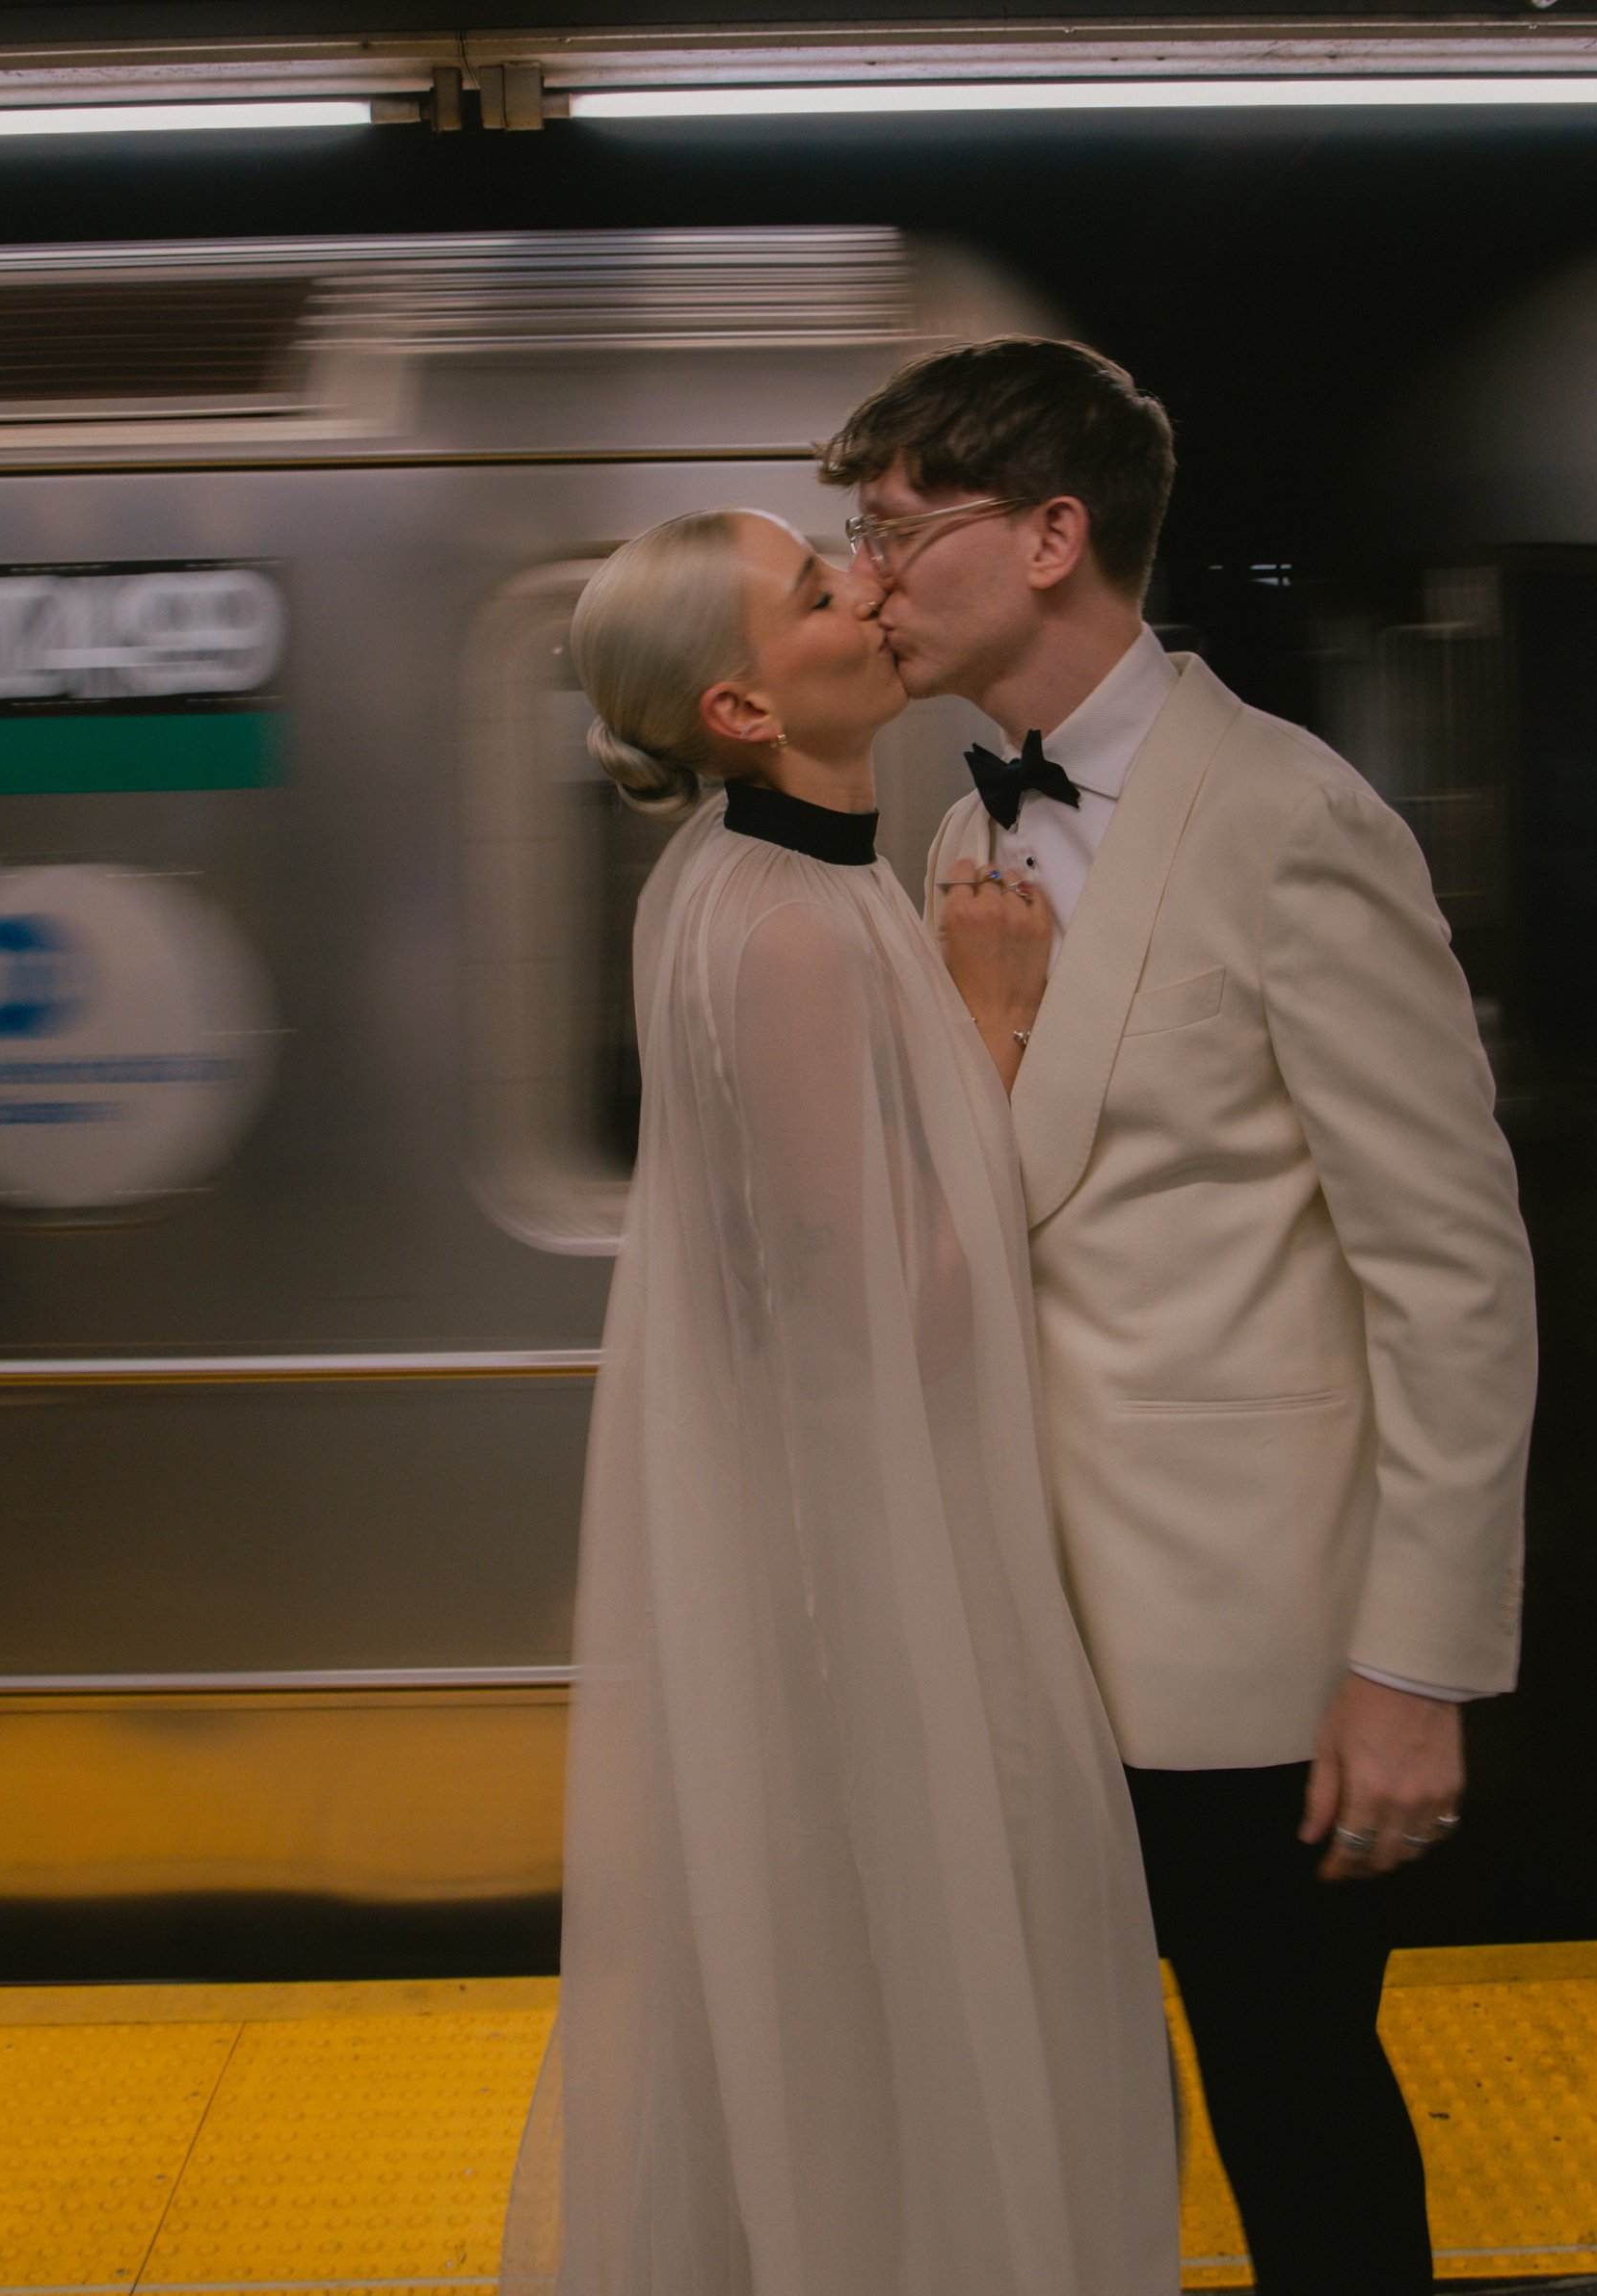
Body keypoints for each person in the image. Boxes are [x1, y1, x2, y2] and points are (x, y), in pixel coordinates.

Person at [820, 338, 1538, 2296]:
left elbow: (1450, 1262)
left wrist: (1414, 1662)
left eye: (892, 531)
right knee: (1063, 2126)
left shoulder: (1292, 819)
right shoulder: (961, 834)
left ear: (1053, 537)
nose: (862, 578)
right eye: (854, 537)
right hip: (1027, 1639)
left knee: (1293, 2115)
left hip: (1252, 1664)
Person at [500, 507, 1180, 2296]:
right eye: (820, 591)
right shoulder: (794, 930)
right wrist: (995, 1025)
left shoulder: (755, 880)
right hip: (875, 1586)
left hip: (842, 1557)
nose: (870, 589)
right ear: (740, 705)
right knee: (932, 2013)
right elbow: (890, 1308)